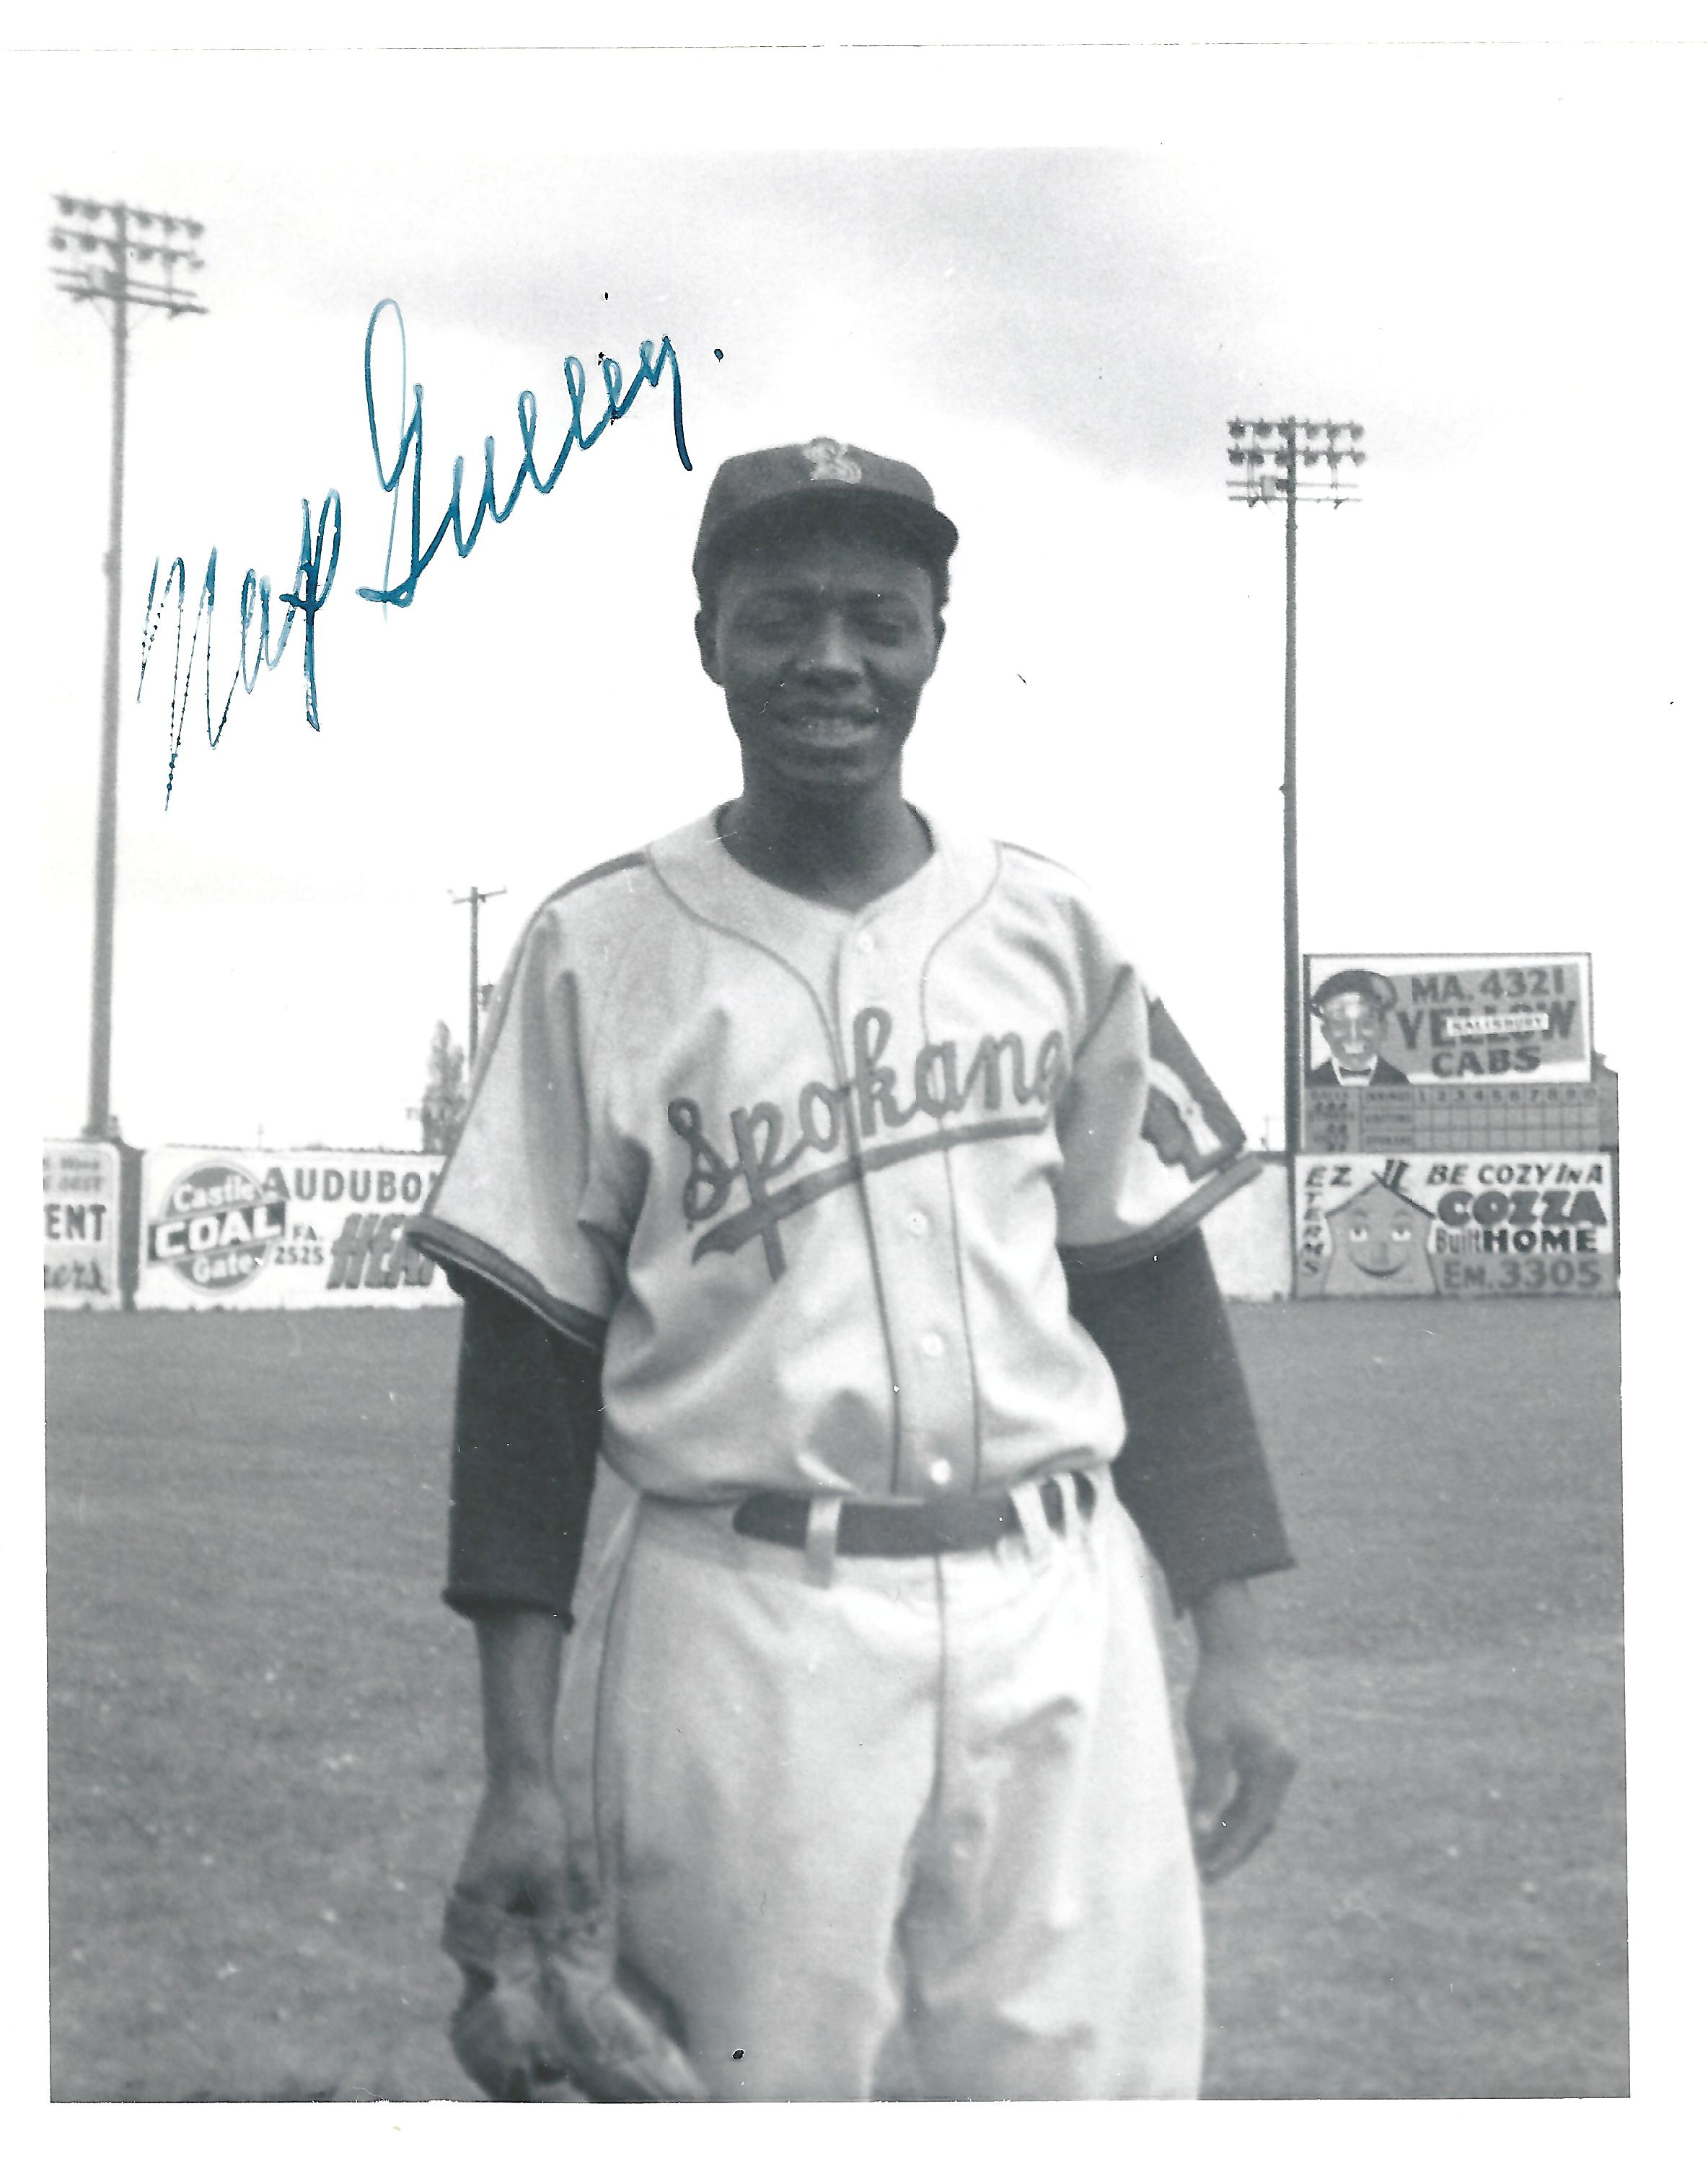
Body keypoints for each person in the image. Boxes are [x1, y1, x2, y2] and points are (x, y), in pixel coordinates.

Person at [407, 436, 1298, 2102]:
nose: (832, 658)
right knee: (751, 2098)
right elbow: (523, 1373)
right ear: (707, 638)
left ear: (935, 639)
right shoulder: (597, 947)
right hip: (748, 1622)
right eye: (782, 616)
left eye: (878, 618)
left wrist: (1233, 1641)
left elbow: (1149, 1290)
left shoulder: (1052, 926)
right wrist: (518, 1767)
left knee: (1103, 2097)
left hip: (1062, 1607)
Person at [1307, 967, 1411, 1087]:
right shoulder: (1308, 1083)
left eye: (1366, 1024)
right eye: (1341, 1025)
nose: (1354, 1035)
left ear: (1383, 1029)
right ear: (1325, 1032)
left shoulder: (1400, 1082)